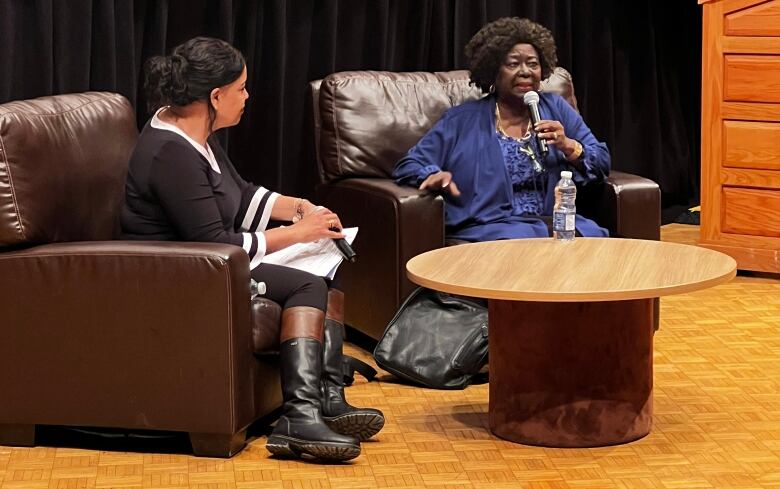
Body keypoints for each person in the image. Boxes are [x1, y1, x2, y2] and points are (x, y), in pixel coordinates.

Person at [121, 37, 384, 462]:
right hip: (179, 273)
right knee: (305, 286)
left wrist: (301, 209)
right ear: (216, 95)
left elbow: (240, 197)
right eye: (241, 89)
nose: (247, 97)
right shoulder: (170, 152)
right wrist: (299, 234)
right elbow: (218, 243)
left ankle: (327, 398)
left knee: (327, 274)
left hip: (210, 261)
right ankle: (299, 417)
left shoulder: (195, 131)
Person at [393, 17, 611, 241]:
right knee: (525, 245)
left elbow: (601, 161)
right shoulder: (461, 120)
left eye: (533, 64)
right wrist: (433, 175)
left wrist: (568, 146)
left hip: (553, 222)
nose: (525, 71)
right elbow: (409, 164)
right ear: (493, 71)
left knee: (597, 242)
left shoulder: (555, 108)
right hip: (492, 227)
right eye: (513, 64)